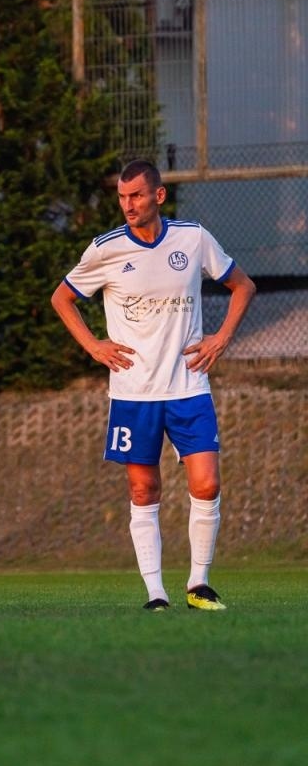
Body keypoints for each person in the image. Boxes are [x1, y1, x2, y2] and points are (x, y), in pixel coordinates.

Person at [50, 160, 255, 611]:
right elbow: (61, 298)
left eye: (137, 196)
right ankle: (156, 593)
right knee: (144, 490)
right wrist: (93, 346)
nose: (129, 205)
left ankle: (199, 584)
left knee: (207, 484)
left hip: (189, 386)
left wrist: (221, 338)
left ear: (158, 196)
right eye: (123, 197)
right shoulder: (105, 249)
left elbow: (243, 285)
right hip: (133, 392)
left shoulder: (193, 237)